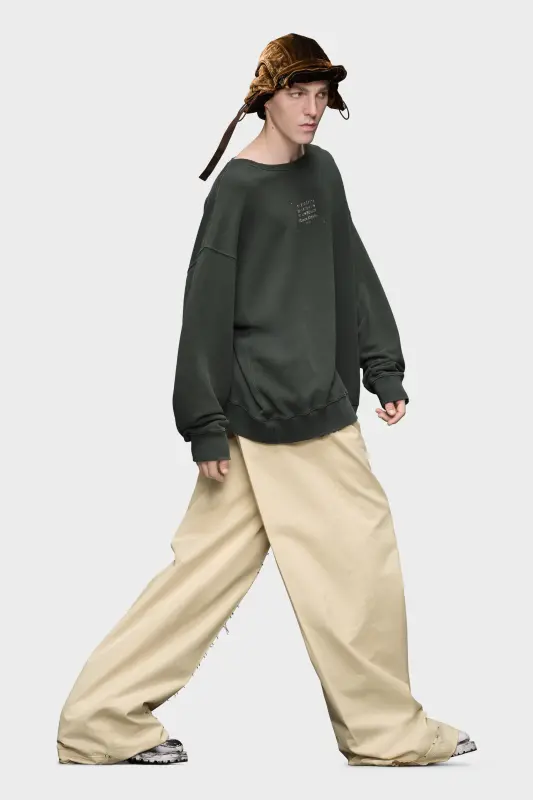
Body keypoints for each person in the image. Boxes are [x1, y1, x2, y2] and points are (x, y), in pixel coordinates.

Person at [56, 33, 477, 767]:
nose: (312, 109)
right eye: (296, 94)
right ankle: (385, 733)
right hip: (280, 414)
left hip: (304, 404)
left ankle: (97, 720)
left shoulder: (323, 172)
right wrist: (204, 423)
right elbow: (204, 308)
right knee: (359, 562)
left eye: (322, 96)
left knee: (201, 576)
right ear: (264, 99)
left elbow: (352, 269)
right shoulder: (238, 191)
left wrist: (382, 366)